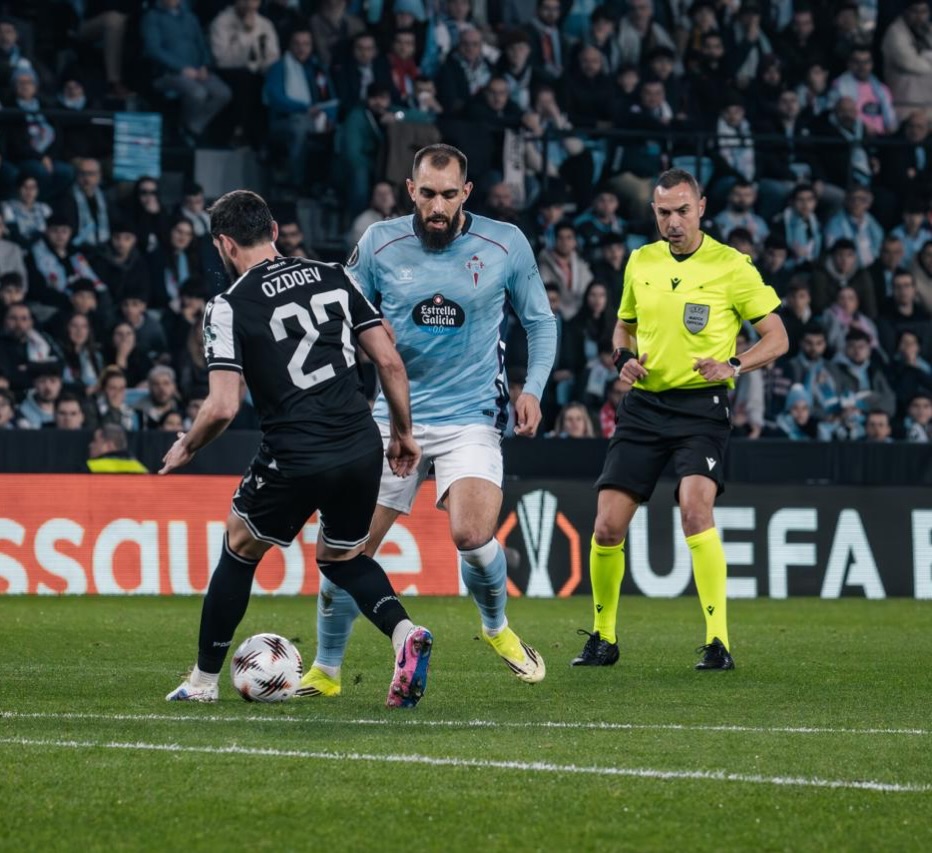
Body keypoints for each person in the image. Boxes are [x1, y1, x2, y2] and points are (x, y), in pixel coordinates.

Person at [161, 189, 432, 708]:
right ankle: (404, 635)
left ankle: (201, 683)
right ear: (275, 232)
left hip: (297, 453)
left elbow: (221, 407)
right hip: (359, 444)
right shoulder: (334, 274)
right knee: (342, 556)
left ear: (223, 244)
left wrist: (188, 447)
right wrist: (403, 433)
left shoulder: (228, 305)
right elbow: (390, 361)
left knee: (240, 547)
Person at [303, 144, 556, 698]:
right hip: (393, 416)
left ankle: (496, 629)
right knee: (344, 551)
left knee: (472, 533)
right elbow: (338, 324)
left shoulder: (505, 244)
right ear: (410, 191)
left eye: (448, 195)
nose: (436, 207)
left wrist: (531, 389)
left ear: (466, 192)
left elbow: (541, 322)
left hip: (472, 415)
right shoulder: (377, 244)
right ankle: (326, 671)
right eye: (427, 195)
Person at [572, 168, 787, 670]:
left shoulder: (732, 266)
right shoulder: (640, 262)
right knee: (606, 526)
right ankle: (603, 638)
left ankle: (718, 642)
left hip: (701, 408)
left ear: (702, 207)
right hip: (644, 407)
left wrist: (733, 364)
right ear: (654, 213)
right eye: (664, 212)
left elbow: (777, 336)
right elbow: (623, 327)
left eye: (682, 211)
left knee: (695, 508)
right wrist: (621, 356)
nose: (673, 222)